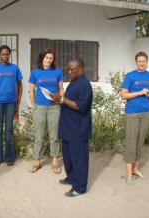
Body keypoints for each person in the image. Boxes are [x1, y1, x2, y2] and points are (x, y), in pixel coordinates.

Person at [50, 57, 93, 197]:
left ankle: (80, 187)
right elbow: (69, 102)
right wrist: (58, 102)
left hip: (78, 129)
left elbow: (79, 105)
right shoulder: (74, 82)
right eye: (68, 68)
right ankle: (71, 178)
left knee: (79, 158)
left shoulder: (85, 85)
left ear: (81, 69)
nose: (69, 71)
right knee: (68, 156)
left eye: (72, 69)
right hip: (68, 127)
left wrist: (62, 99)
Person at [121, 52, 149, 185]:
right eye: (139, 61)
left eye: (144, 61)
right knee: (131, 141)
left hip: (146, 113)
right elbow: (123, 95)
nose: (141, 63)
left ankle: (136, 169)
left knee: (140, 141)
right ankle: (129, 174)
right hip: (132, 113)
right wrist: (139, 93)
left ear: (147, 62)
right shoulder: (130, 76)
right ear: (136, 62)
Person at [0, 45, 23, 167]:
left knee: (9, 130)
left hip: (11, 102)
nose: (5, 56)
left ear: (10, 54)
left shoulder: (15, 68)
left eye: (7, 54)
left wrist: (18, 101)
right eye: (3, 54)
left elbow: (20, 85)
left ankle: (10, 156)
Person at [28, 49, 64, 174]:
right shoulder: (35, 72)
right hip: (40, 107)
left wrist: (60, 101)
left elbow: (61, 89)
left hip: (54, 107)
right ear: (42, 58)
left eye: (51, 58)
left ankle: (55, 161)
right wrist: (34, 105)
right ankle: (37, 161)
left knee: (54, 135)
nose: (48, 60)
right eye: (46, 57)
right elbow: (32, 90)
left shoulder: (57, 71)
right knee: (39, 135)